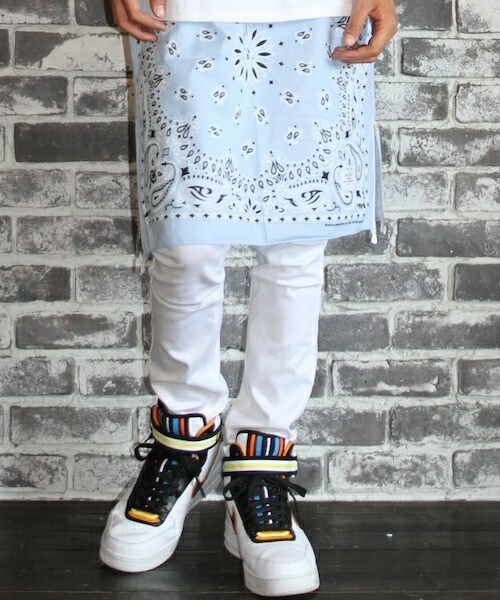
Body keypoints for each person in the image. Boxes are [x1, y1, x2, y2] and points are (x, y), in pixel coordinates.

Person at [99, 0, 397, 596]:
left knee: (294, 248)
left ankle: (260, 460)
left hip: (318, 14)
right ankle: (184, 440)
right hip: (184, 11)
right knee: (185, 243)